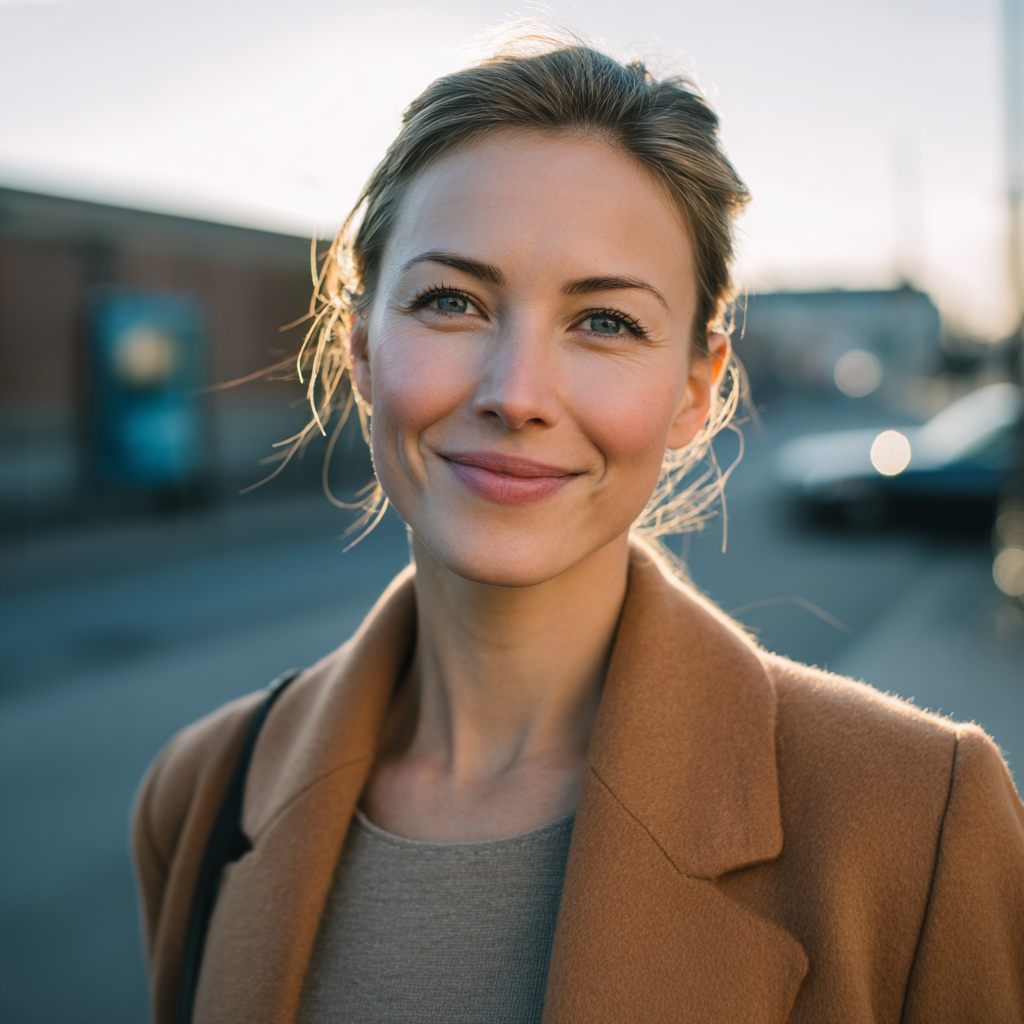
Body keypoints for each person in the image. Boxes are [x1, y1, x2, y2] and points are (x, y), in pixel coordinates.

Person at [132, 34, 1024, 1024]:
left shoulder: (920, 817)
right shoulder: (200, 794)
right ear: (361, 351)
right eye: (450, 301)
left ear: (695, 390)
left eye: (604, 322)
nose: (515, 394)